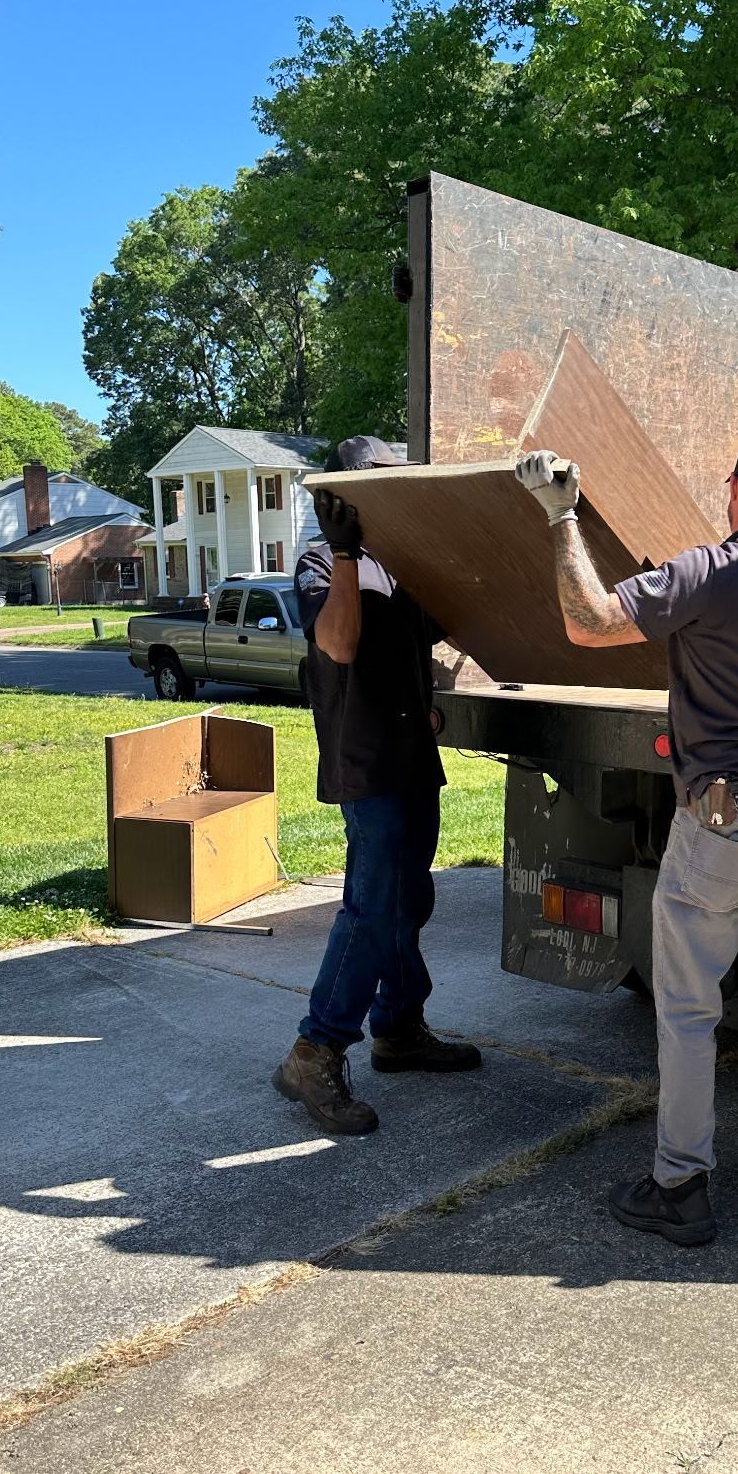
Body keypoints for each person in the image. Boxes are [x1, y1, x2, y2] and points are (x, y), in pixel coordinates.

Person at [517, 430, 738, 1247]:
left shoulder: (708, 571)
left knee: (687, 1010)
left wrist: (562, 516)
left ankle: (681, 1186)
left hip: (721, 825)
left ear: (733, 488)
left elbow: (590, 624)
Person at [272, 434, 480, 1134]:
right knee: (370, 912)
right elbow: (338, 643)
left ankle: (398, 1029)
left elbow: (458, 620)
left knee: (409, 902)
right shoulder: (319, 565)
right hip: (367, 767)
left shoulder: (407, 573)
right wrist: (346, 555)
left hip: (414, 760)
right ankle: (315, 1049)